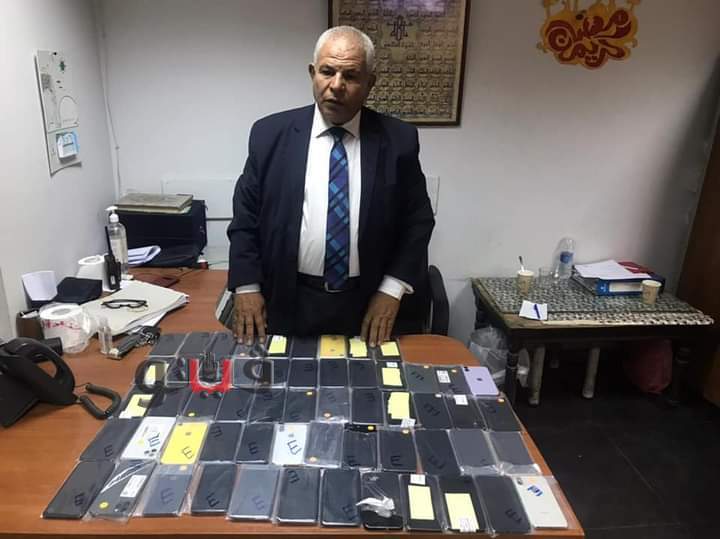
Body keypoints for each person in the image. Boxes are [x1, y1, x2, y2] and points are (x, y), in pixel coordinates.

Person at [227, 25, 434, 346]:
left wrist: (392, 290)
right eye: (327, 72)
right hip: (286, 298)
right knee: (284, 376)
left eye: (350, 76)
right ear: (313, 73)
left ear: (370, 83)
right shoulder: (269, 135)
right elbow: (245, 218)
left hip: (368, 303)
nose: (336, 85)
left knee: (365, 377)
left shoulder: (398, 140)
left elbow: (417, 222)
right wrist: (246, 287)